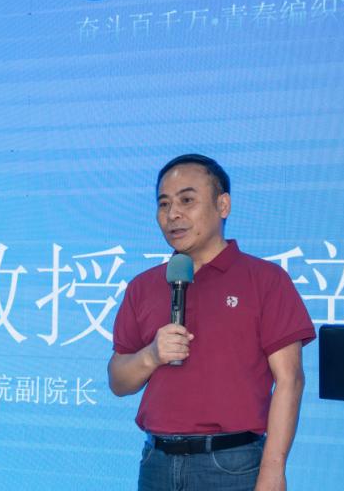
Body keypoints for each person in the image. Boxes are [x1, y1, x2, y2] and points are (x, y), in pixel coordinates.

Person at [109, 154, 316, 491]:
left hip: (233, 464)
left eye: (187, 200)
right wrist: (151, 355)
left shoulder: (265, 280)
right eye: (164, 204)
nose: (173, 214)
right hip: (156, 462)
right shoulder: (143, 286)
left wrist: (273, 470)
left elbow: (290, 380)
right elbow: (119, 382)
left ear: (223, 205)